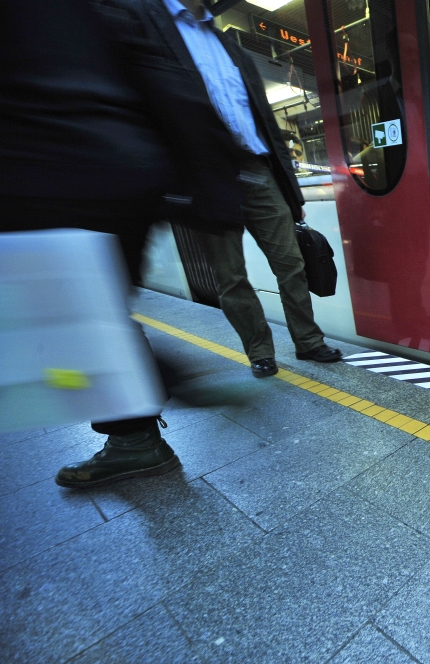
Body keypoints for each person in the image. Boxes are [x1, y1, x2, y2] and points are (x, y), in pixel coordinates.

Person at [104, 0, 341, 380]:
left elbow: (266, 123)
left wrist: (293, 193)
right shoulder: (147, 23)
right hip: (206, 175)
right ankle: (260, 351)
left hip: (259, 167)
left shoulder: (232, 47)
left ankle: (308, 341)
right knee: (231, 276)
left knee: (291, 264)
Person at [0, 0, 180, 488]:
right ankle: (137, 421)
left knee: (62, 324)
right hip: (121, 162)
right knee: (94, 313)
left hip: (37, 163)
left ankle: (138, 422)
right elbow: (159, 70)